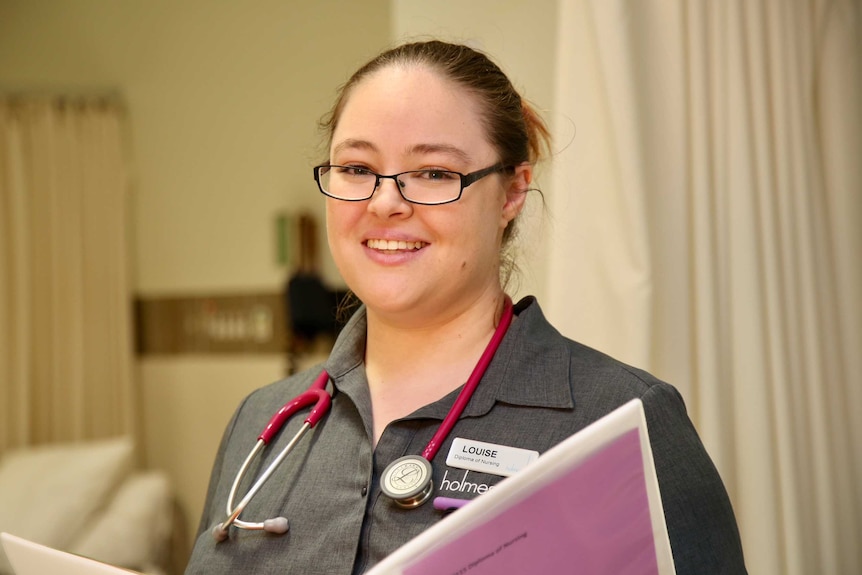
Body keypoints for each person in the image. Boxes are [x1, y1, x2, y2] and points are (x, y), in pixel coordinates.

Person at [185, 40, 747, 574]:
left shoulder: (619, 421)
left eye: (433, 173)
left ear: (510, 193)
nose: (385, 203)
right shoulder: (262, 421)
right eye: (357, 168)